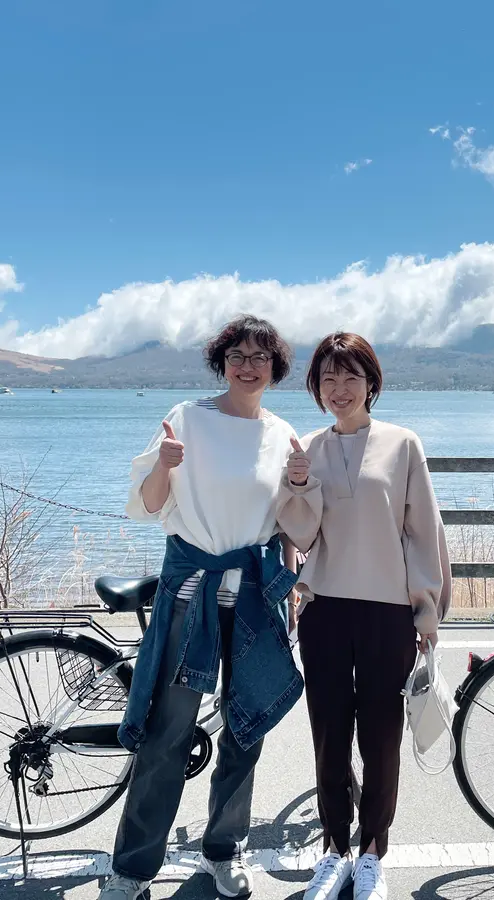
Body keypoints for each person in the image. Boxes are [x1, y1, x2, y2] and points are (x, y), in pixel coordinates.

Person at [101, 315, 305, 900]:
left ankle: (224, 848)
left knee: (246, 727)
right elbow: (146, 505)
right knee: (168, 732)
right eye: (237, 355)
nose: (247, 365)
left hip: (251, 596)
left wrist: (290, 582)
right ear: (222, 361)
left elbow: (284, 526)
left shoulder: (281, 433)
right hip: (190, 588)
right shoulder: (189, 417)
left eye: (259, 357)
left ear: (275, 367)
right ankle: (133, 868)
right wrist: (164, 464)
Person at [278, 332, 451, 900]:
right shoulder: (308, 448)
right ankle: (333, 846)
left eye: (351, 376)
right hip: (325, 608)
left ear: (371, 382)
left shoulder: (402, 445)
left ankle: (373, 847)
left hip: (388, 612)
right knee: (329, 733)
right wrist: (299, 484)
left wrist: (427, 608)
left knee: (381, 736)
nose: (340, 388)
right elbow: (300, 535)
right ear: (316, 388)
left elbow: (423, 533)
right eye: (328, 378)